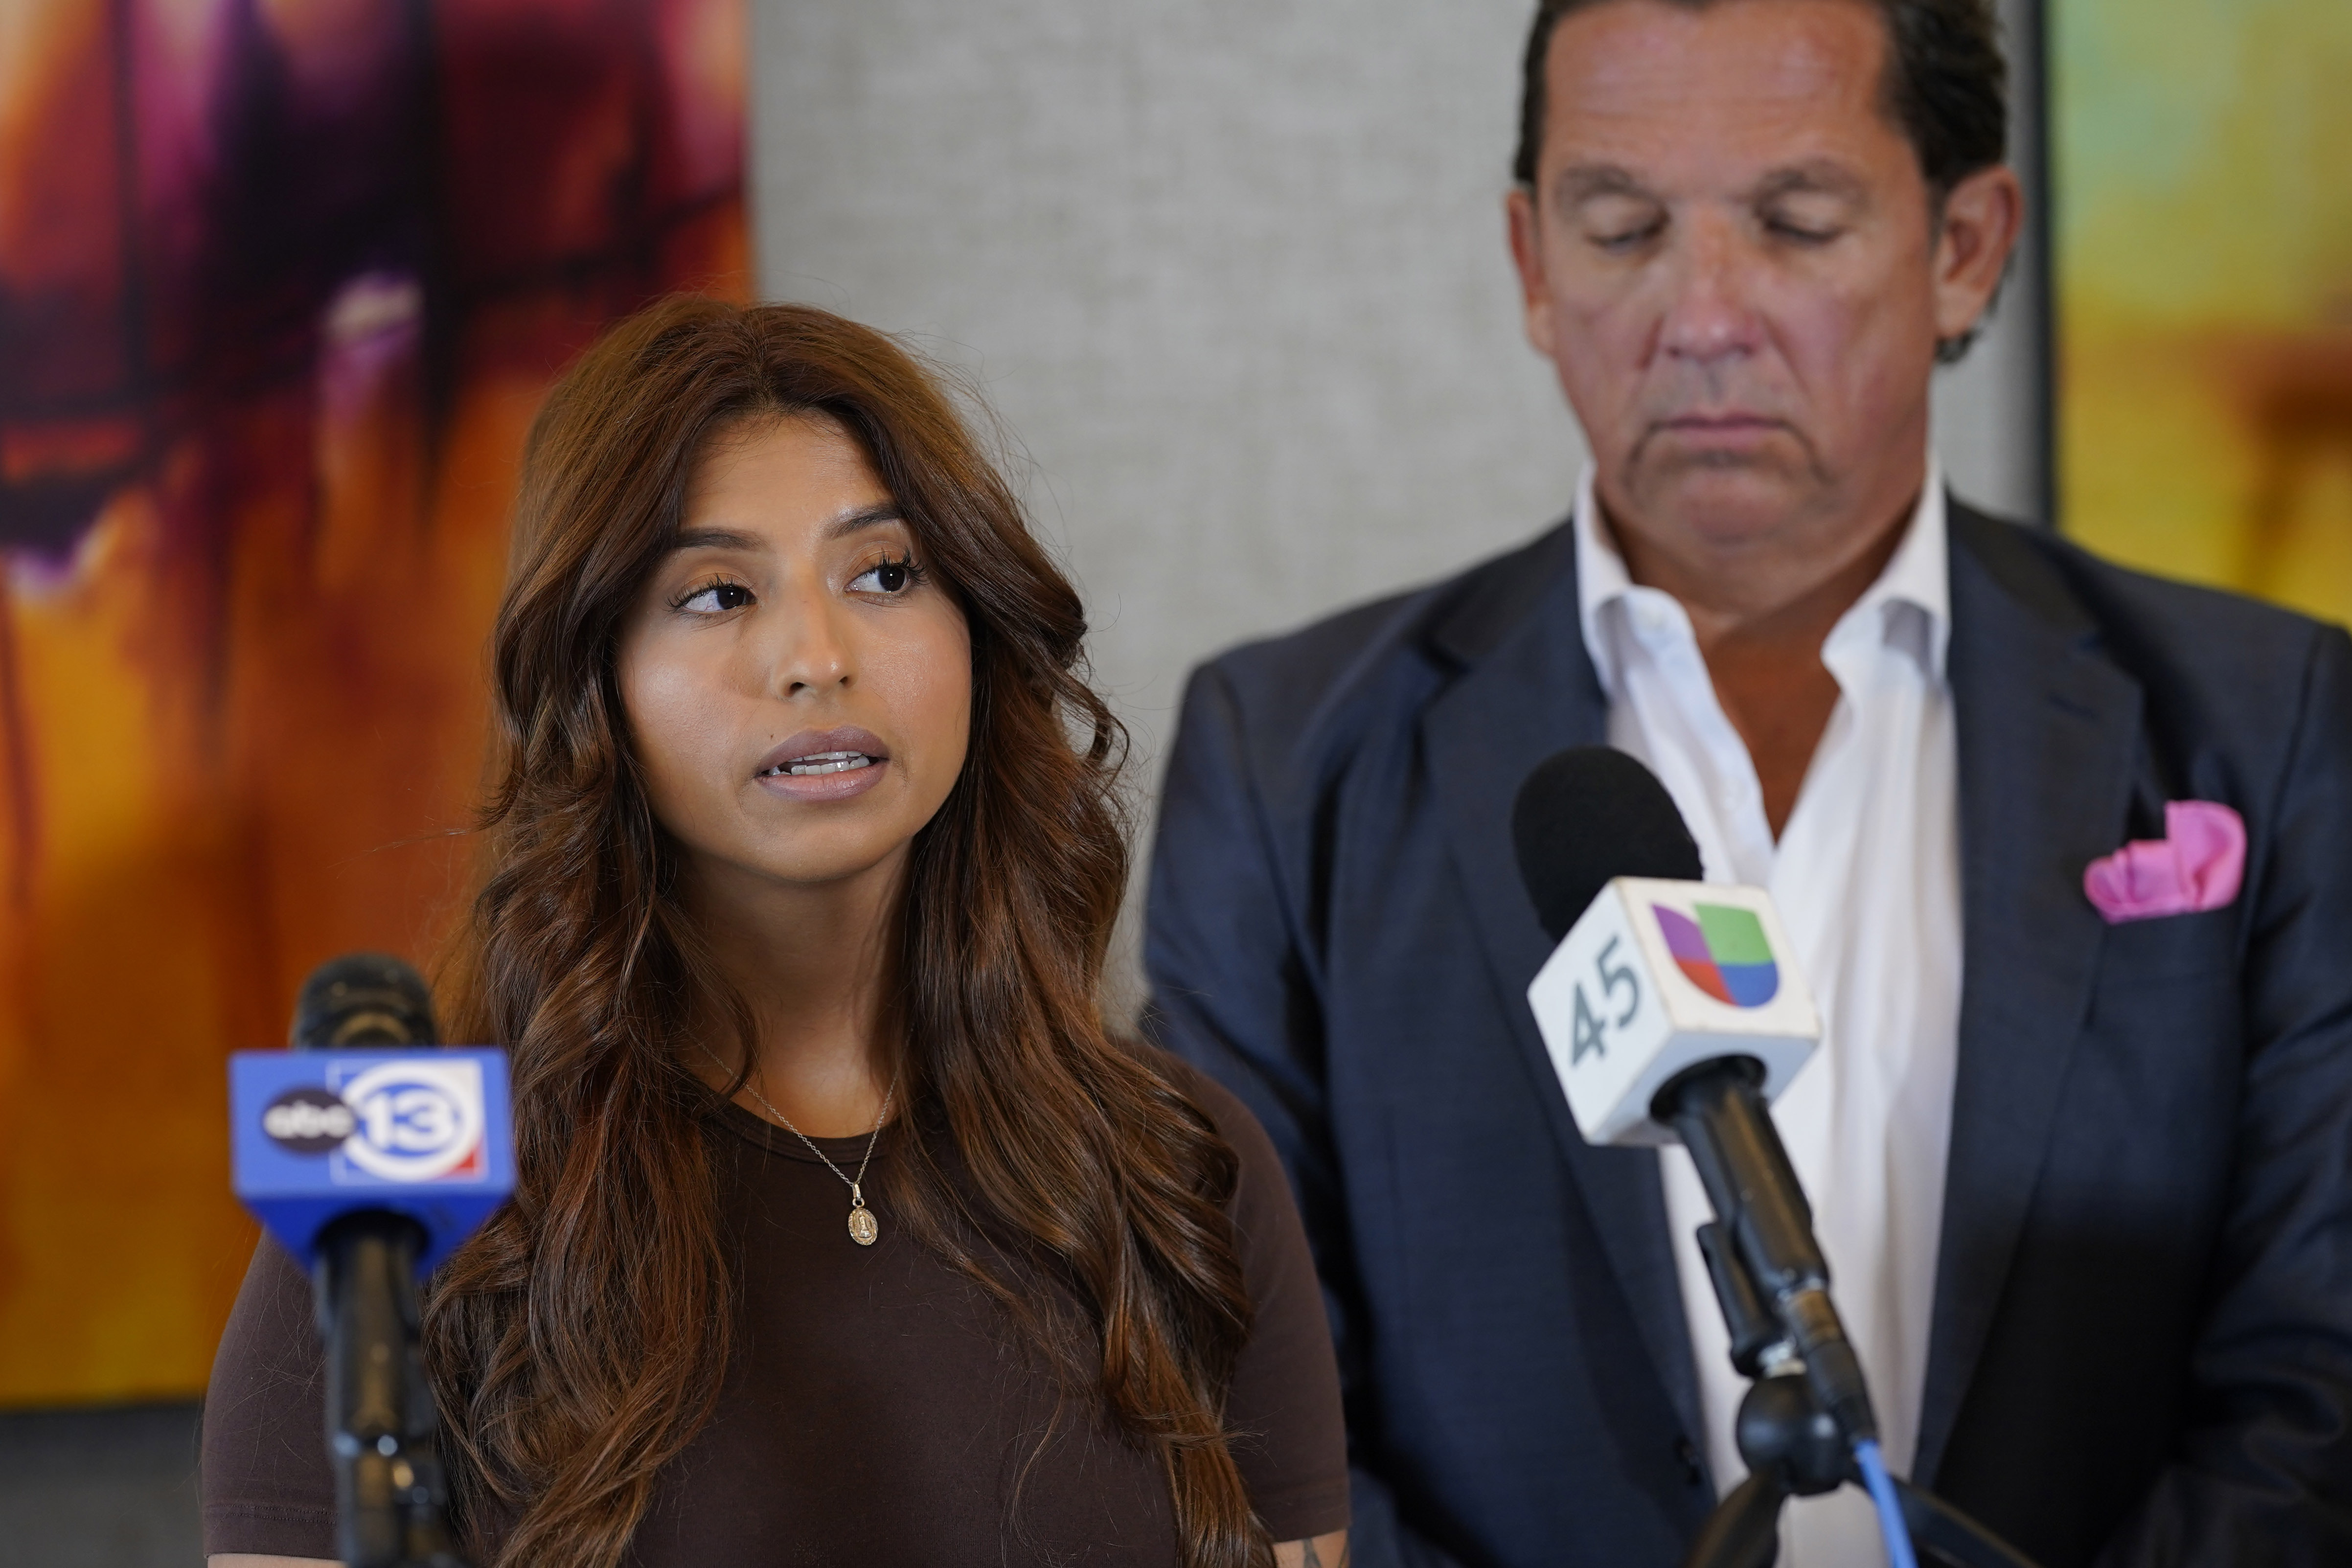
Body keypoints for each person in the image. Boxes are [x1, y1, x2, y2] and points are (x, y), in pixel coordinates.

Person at [1142, 3, 2352, 1567]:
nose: (1702, 313)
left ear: (1966, 246)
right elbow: (1240, 1410)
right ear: (1531, 262)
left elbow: (2314, 1381)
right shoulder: (1287, 754)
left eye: (1795, 222)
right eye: (1624, 226)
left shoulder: (2266, 723)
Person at [201, 296, 1352, 1568]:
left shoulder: (1184, 1175)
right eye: (716, 594)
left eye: (885, 575)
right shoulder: (401, 1218)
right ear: (599, 682)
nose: (816, 656)